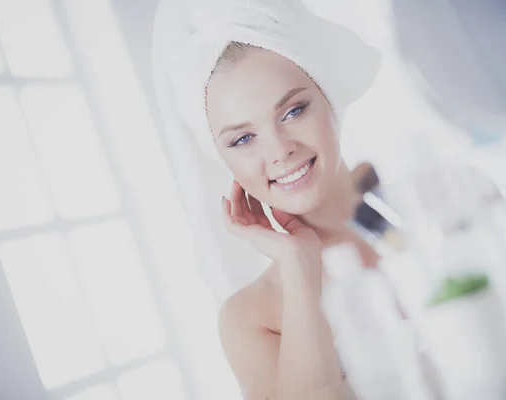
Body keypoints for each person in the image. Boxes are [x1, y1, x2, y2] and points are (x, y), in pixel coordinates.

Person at [152, 1, 382, 398]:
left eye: (293, 111)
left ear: (328, 97)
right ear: (220, 157)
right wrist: (298, 265)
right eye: (242, 139)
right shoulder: (249, 319)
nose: (279, 151)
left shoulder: (428, 202)